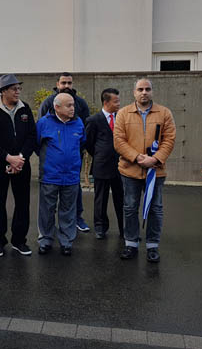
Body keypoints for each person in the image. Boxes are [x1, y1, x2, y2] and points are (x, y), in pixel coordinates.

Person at [114, 78, 176, 263]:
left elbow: (169, 139)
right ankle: (131, 244)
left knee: (155, 209)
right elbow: (119, 141)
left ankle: (152, 246)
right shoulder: (123, 113)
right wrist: (138, 158)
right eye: (140, 89)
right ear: (134, 92)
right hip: (130, 170)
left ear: (152, 91)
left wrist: (154, 159)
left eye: (147, 89)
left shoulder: (164, 113)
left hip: (155, 171)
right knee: (130, 207)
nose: (144, 92)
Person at [0, 74, 37, 257]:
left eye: (19, 88)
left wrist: (20, 158)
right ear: (3, 91)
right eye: (14, 89)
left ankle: (19, 241)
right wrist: (8, 158)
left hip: (21, 164)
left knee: (22, 203)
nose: (18, 92)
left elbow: (32, 136)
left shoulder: (25, 109)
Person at [39, 73, 91, 232]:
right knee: (48, 204)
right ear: (57, 84)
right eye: (63, 83)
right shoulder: (48, 103)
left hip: (73, 163)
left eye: (69, 82)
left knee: (73, 196)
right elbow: (39, 138)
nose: (67, 86)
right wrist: (50, 155)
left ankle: (77, 220)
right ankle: (47, 234)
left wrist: (73, 152)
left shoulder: (80, 103)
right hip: (51, 168)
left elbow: (84, 133)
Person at [36, 93, 86, 255]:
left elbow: (82, 144)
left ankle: (66, 241)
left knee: (68, 210)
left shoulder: (78, 122)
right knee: (47, 209)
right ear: (57, 107)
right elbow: (37, 145)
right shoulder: (44, 123)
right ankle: (45, 239)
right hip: (50, 175)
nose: (73, 108)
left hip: (71, 175)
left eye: (73, 105)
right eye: (68, 105)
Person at [85, 88, 124, 240]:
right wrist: (100, 154)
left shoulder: (121, 118)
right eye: (116, 101)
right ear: (106, 102)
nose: (119, 104)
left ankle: (125, 229)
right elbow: (89, 143)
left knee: (122, 199)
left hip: (121, 167)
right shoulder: (93, 120)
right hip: (101, 166)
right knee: (101, 199)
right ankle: (100, 228)